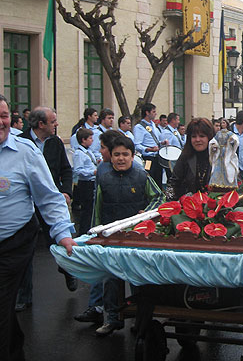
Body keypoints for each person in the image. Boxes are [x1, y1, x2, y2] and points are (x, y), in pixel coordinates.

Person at [0, 91, 77, 361]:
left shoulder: (25, 152)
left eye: (4, 116)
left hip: (11, 245)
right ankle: (14, 350)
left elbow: (49, 197)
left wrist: (62, 233)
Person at [92, 135, 164, 336]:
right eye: (117, 154)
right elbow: (96, 210)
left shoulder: (142, 176)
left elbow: (159, 197)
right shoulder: (103, 179)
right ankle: (112, 319)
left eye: (125, 154)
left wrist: (146, 212)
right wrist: (95, 234)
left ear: (133, 156)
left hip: (137, 238)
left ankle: (139, 320)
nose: (121, 158)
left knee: (138, 281)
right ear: (111, 157)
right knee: (111, 280)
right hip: (112, 238)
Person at [17, 106, 77, 312]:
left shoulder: (56, 143)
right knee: (25, 250)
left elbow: (65, 170)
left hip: (51, 200)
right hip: (26, 202)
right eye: (53, 121)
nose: (57, 124)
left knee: (60, 240)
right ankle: (24, 296)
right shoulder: (21, 142)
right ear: (41, 124)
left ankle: (67, 269)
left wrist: (67, 192)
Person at [165, 117, 214, 201]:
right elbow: (173, 183)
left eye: (202, 136)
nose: (197, 140)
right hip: (188, 205)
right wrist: (170, 202)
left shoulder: (218, 157)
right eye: (194, 136)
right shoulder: (185, 156)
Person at [72, 128, 97, 235]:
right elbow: (78, 170)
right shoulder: (79, 153)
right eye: (90, 138)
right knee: (86, 210)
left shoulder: (88, 151)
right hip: (86, 184)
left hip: (92, 183)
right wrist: (92, 172)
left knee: (91, 209)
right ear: (83, 140)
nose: (92, 140)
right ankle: (83, 232)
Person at [133, 102, 165, 189]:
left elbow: (156, 140)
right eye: (153, 112)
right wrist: (149, 149)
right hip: (148, 159)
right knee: (149, 178)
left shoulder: (153, 125)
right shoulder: (139, 127)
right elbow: (137, 145)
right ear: (147, 113)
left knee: (158, 180)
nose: (155, 114)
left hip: (157, 157)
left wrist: (162, 143)